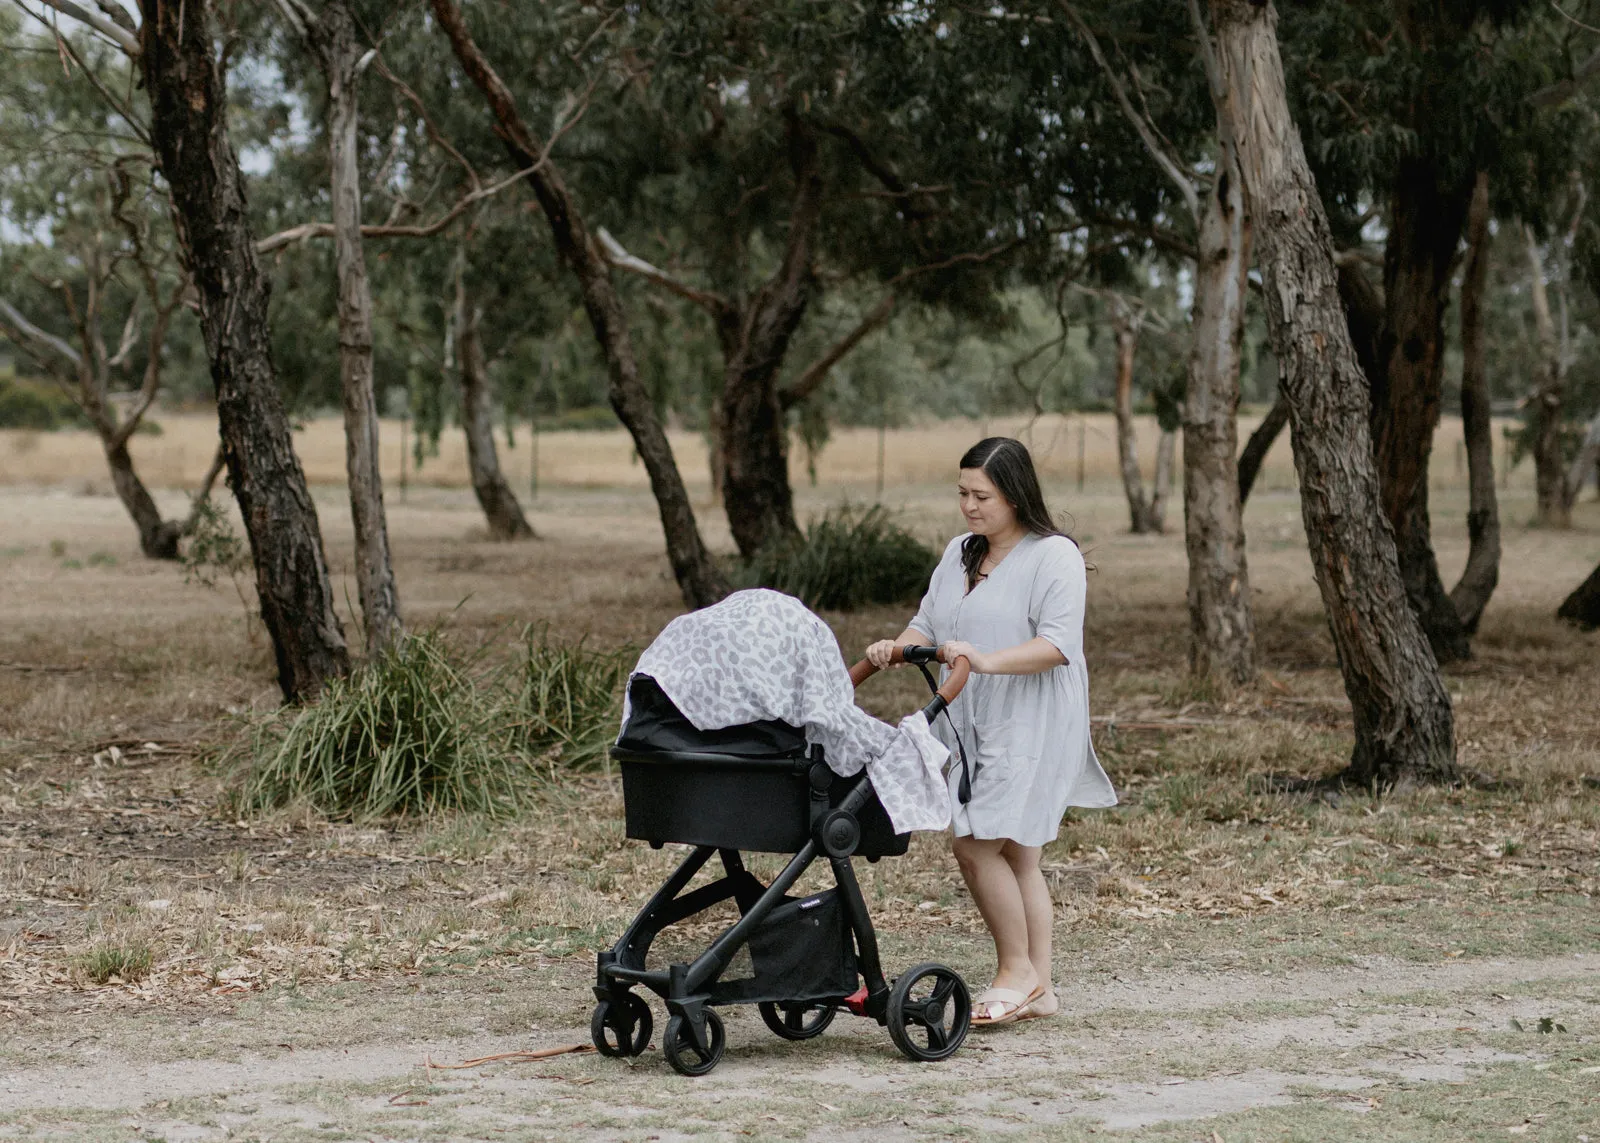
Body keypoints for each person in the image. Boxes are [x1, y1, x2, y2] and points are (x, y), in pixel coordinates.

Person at [865, 436, 1116, 1026]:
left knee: (975, 843)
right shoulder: (959, 552)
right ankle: (1042, 989)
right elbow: (927, 621)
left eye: (983, 495)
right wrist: (893, 648)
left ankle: (1015, 970)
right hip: (972, 712)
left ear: (1015, 495)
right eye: (963, 493)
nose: (970, 506)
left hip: (1031, 715)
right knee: (1018, 853)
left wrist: (984, 660)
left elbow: (1057, 645)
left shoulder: (1053, 555)